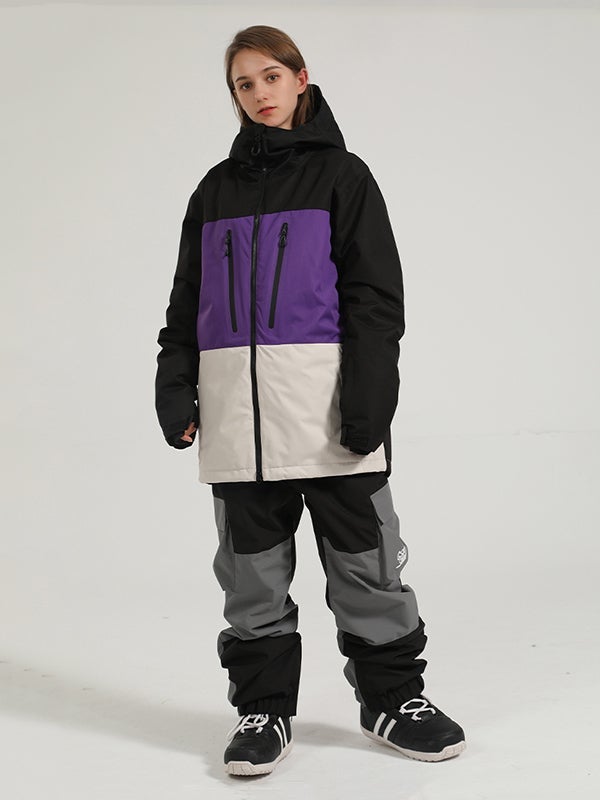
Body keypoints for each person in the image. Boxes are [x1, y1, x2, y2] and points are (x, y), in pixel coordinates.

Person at [155, 25, 466, 777]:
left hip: (332, 418)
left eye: (271, 76)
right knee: (252, 578)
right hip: (238, 427)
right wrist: (175, 380)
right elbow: (188, 301)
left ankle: (394, 699)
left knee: (366, 567)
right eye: (244, 83)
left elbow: (374, 298)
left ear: (301, 78)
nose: (259, 93)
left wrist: (371, 398)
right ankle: (263, 710)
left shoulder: (343, 178)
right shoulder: (214, 191)